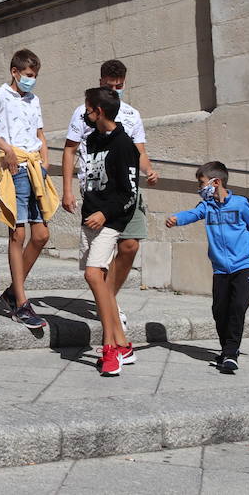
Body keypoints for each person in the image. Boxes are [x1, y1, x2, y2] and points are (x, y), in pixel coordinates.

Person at [61, 58, 159, 333]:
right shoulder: (86, 113)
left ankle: (108, 302)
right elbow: (70, 149)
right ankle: (111, 314)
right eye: (110, 84)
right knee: (95, 267)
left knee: (130, 246)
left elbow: (139, 151)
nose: (116, 88)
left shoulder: (131, 114)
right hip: (99, 194)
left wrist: (149, 170)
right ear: (101, 81)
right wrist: (67, 189)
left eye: (120, 85)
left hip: (127, 192)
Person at [165, 161, 249, 375]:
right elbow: (192, 214)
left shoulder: (240, 205)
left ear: (216, 182)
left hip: (243, 266)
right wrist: (177, 219)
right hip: (220, 269)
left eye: (202, 183)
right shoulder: (207, 206)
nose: (200, 188)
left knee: (238, 307)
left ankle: (231, 353)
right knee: (219, 311)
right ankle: (226, 350)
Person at [0, 49, 53, 330]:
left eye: (35, 76)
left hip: (34, 168)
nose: (32, 81)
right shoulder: (1, 94)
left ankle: (10, 293)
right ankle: (20, 302)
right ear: (15, 72)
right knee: (17, 233)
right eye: (28, 75)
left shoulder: (34, 99)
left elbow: (40, 132)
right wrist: (5, 148)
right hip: (14, 168)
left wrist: (45, 158)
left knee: (41, 235)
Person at [77, 87, 140, 377]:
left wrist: (105, 213)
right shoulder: (90, 141)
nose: (85, 115)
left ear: (98, 112)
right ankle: (124, 345)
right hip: (89, 219)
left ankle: (111, 349)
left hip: (109, 222)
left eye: (88, 110)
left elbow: (130, 193)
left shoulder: (124, 144)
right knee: (100, 283)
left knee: (93, 274)